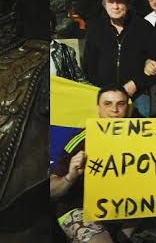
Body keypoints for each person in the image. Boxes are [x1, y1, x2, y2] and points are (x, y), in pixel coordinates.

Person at [48, 86, 130, 243]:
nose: (114, 109)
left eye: (121, 103)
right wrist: (70, 177)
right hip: (78, 207)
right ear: (98, 108)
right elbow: (52, 190)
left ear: (127, 107)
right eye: (108, 104)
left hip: (123, 207)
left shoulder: (139, 136)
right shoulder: (81, 141)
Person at [82, 0, 156, 118]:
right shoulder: (95, 29)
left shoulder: (144, 28)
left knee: (139, 136)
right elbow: (88, 67)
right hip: (105, 97)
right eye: (111, 2)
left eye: (120, 1)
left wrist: (135, 84)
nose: (116, 6)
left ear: (127, 3)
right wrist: (106, 91)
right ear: (104, 3)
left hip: (137, 96)